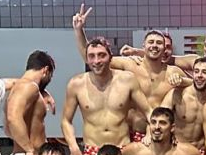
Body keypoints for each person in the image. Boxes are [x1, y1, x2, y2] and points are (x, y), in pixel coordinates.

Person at [74, 8, 189, 141]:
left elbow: (200, 84)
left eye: (159, 43)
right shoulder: (129, 65)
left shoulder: (173, 71)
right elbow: (91, 59)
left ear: (165, 49)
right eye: (151, 42)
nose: (155, 46)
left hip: (160, 136)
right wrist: (79, 30)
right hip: (128, 135)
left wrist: (182, 81)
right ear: (143, 46)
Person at [61, 31, 152, 155]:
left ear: (110, 57)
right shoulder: (76, 84)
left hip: (123, 148)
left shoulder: (127, 80)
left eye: (101, 55)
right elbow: (66, 120)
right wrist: (73, 148)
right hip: (93, 150)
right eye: (92, 56)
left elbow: (148, 111)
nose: (96, 61)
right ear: (87, 59)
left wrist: (150, 132)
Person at [161, 57, 206, 155]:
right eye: (196, 71)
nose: (200, 75)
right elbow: (159, 117)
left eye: (204, 72)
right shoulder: (177, 94)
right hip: (178, 151)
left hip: (200, 152)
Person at [3, 50, 56, 155]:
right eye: (50, 76)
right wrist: (29, 150)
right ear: (45, 70)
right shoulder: (29, 87)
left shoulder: (21, 87)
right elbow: (13, 117)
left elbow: (8, 129)